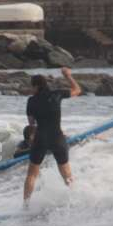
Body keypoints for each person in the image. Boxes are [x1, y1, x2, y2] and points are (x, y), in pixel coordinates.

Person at [23, 67, 81, 205]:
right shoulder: (57, 94)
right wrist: (68, 75)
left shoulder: (31, 101)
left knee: (32, 174)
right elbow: (77, 90)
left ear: (36, 86)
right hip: (57, 137)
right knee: (66, 173)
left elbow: (31, 123)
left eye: (32, 86)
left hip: (41, 138)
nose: (31, 89)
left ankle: (25, 206)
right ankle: (74, 201)